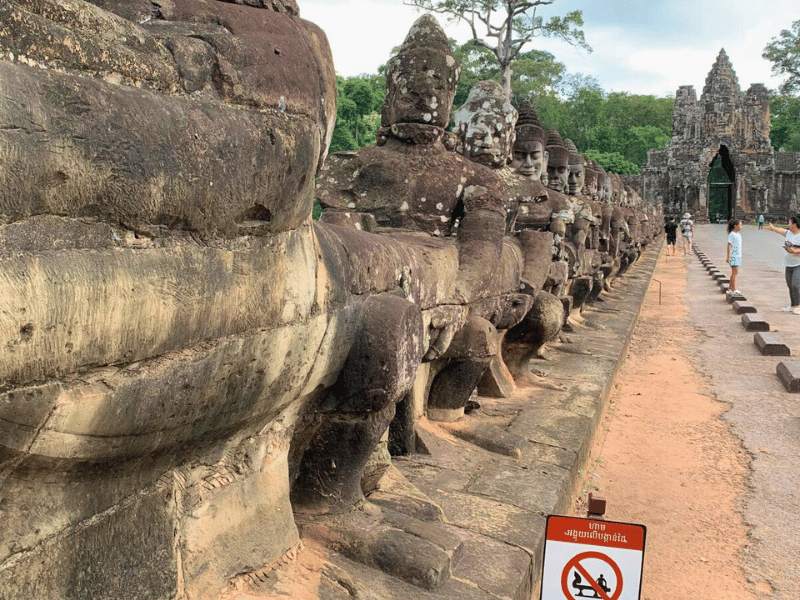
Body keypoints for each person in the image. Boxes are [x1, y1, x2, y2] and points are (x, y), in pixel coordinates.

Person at [765, 216, 800, 313]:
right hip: (789, 263)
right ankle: (793, 305)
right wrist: (772, 228)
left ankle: (799, 306)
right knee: (790, 285)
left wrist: (796, 251)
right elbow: (780, 230)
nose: (788, 225)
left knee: (796, 285)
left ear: (795, 224)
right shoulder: (788, 233)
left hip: (798, 264)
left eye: (789, 223)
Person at [726, 218, 743, 296]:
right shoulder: (732, 234)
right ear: (735, 226)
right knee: (734, 272)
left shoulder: (738, 235)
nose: (741, 227)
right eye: (740, 225)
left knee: (735, 272)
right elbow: (729, 246)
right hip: (734, 255)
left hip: (738, 255)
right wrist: (728, 257)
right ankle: (733, 289)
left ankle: (730, 288)